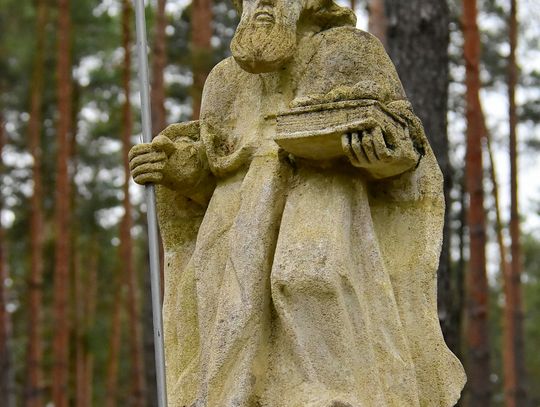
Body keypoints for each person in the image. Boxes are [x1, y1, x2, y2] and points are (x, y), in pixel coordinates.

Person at [129, 0, 466, 406]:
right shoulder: (224, 79)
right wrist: (177, 168)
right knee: (226, 313)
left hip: (322, 186)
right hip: (235, 214)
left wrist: (378, 151)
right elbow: (213, 166)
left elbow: (404, 145)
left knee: (308, 276)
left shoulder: (351, 50)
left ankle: (340, 396)